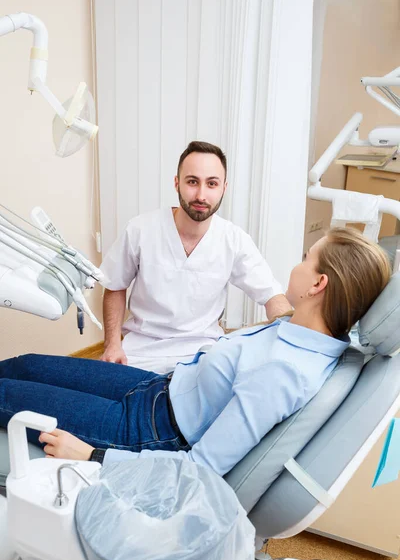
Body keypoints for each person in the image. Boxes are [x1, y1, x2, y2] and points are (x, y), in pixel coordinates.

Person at [0, 228, 391, 477]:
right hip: (155, 389)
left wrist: (92, 456)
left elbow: (201, 467)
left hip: (144, 432)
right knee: (26, 364)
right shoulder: (305, 330)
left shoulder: (284, 373)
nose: (297, 265)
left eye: (306, 258)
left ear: (318, 284)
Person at [100, 140, 290, 374]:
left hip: (204, 355)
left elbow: (273, 296)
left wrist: (290, 338)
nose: (201, 195)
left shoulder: (233, 239)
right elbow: (114, 286)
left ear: (224, 188)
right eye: (192, 182)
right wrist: (112, 345)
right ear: (177, 183)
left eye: (212, 184)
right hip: (140, 351)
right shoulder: (141, 229)